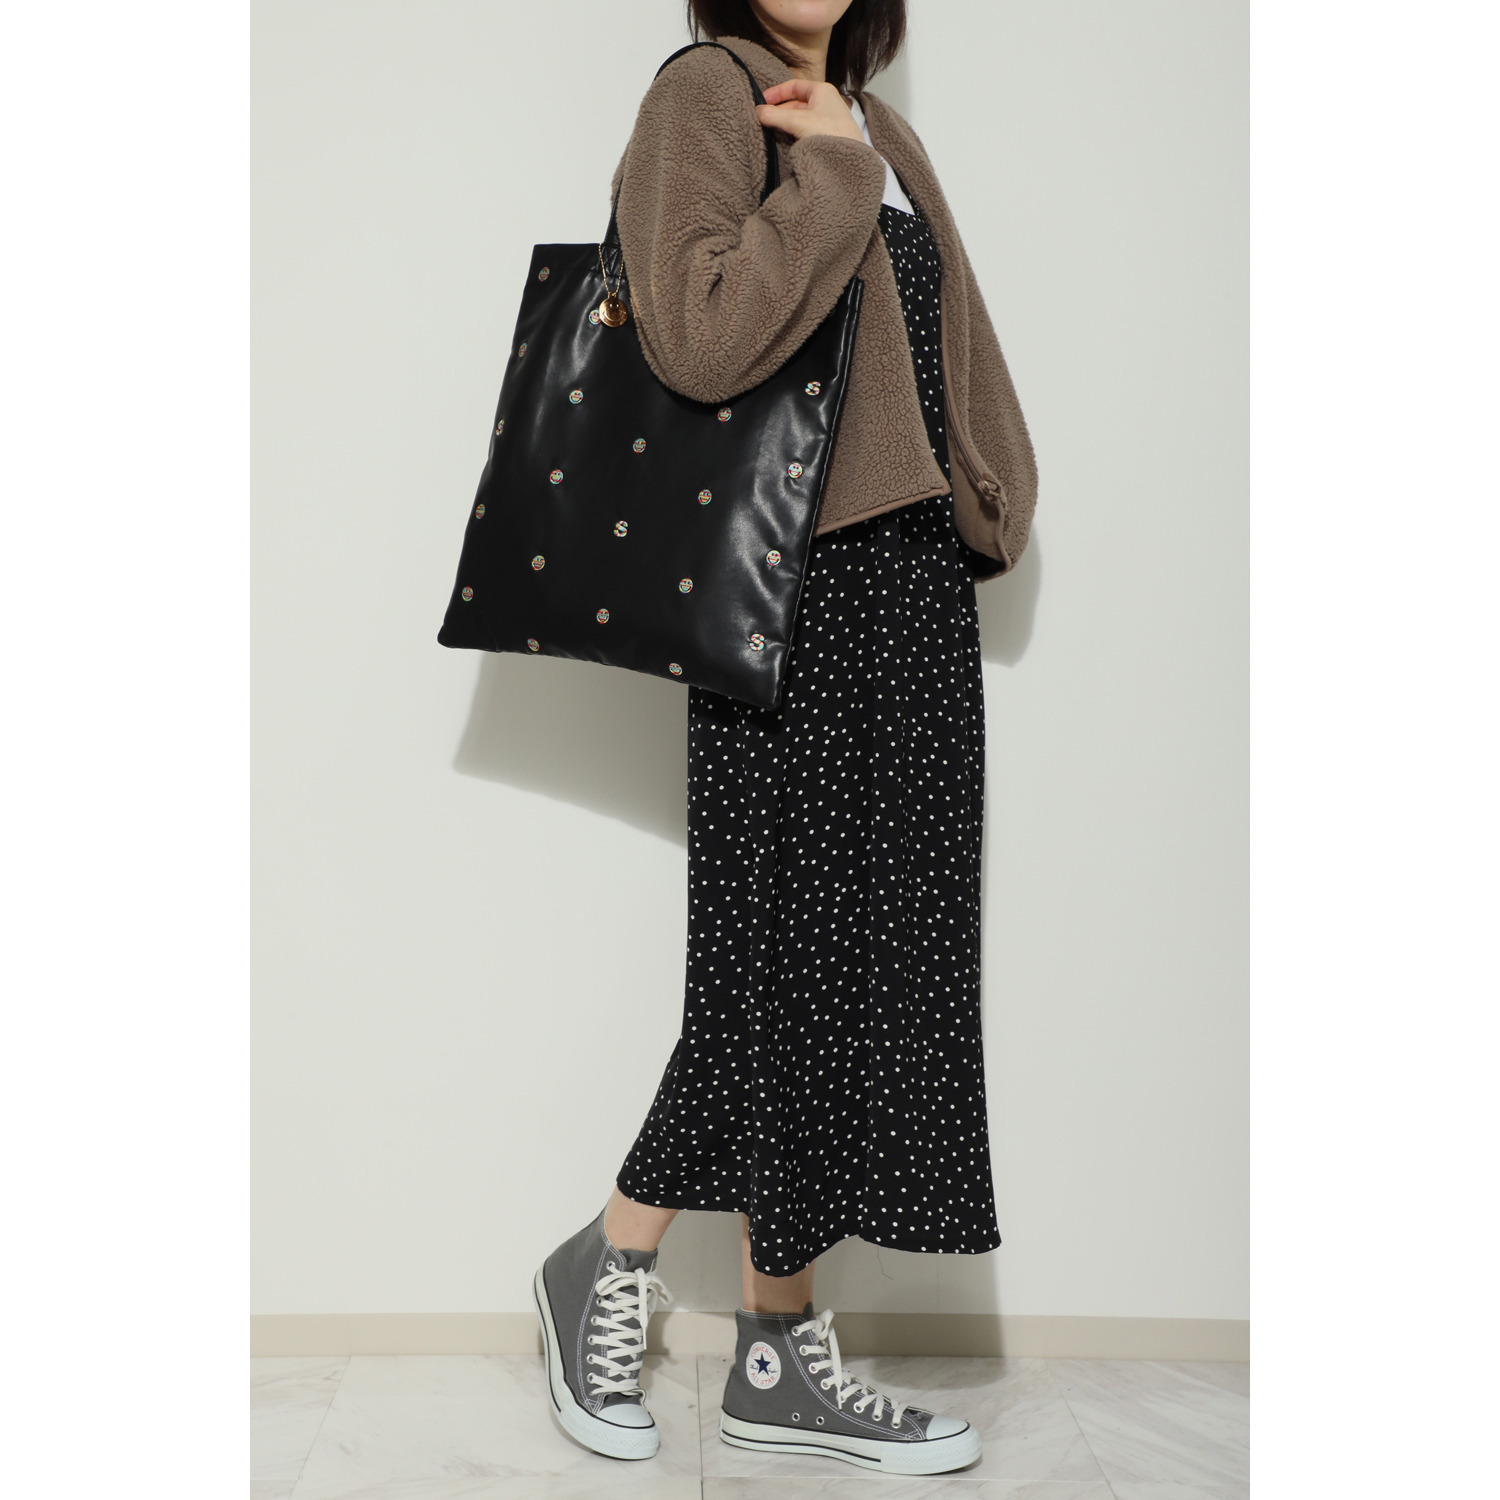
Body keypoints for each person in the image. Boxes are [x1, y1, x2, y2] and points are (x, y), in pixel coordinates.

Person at [532, 0, 1037, 1476]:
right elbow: (697, 339)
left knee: (876, 968)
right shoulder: (709, 93)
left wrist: (987, 491)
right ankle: (612, 1260)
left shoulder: (884, 132)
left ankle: (773, 1352)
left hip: (911, 588)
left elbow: (951, 344)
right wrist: (826, 177)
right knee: (777, 966)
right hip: (789, 586)